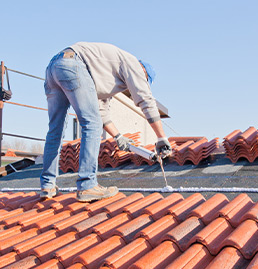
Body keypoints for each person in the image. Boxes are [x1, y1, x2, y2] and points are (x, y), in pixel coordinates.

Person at [40, 42, 172, 202]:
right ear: (143, 73)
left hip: (54, 68)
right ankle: (87, 185)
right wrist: (161, 137)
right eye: (143, 81)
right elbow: (145, 99)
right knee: (91, 124)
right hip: (73, 64)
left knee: (55, 130)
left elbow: (101, 112)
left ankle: (48, 185)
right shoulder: (134, 65)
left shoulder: (106, 75)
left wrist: (118, 136)